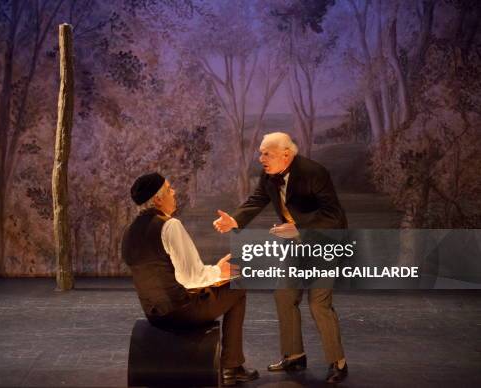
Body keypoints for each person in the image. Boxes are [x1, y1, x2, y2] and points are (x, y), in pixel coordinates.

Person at [213, 132, 349, 383]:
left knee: (318, 303)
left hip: (325, 241)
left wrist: (300, 227)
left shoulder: (313, 172)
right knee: (284, 295)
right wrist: (235, 219)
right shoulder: (270, 175)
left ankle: (338, 363)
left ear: (286, 155)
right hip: (296, 242)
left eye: (267, 153)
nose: (261, 158)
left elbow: (333, 216)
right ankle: (294, 356)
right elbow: (256, 200)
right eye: (261, 152)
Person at [121, 172, 259, 386]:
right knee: (238, 287)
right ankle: (232, 366)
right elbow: (191, 277)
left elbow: (161, 271)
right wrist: (219, 272)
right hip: (182, 311)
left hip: (154, 314)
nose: (174, 192)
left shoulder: (129, 232)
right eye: (169, 189)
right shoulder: (169, 226)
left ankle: (232, 365)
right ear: (157, 199)